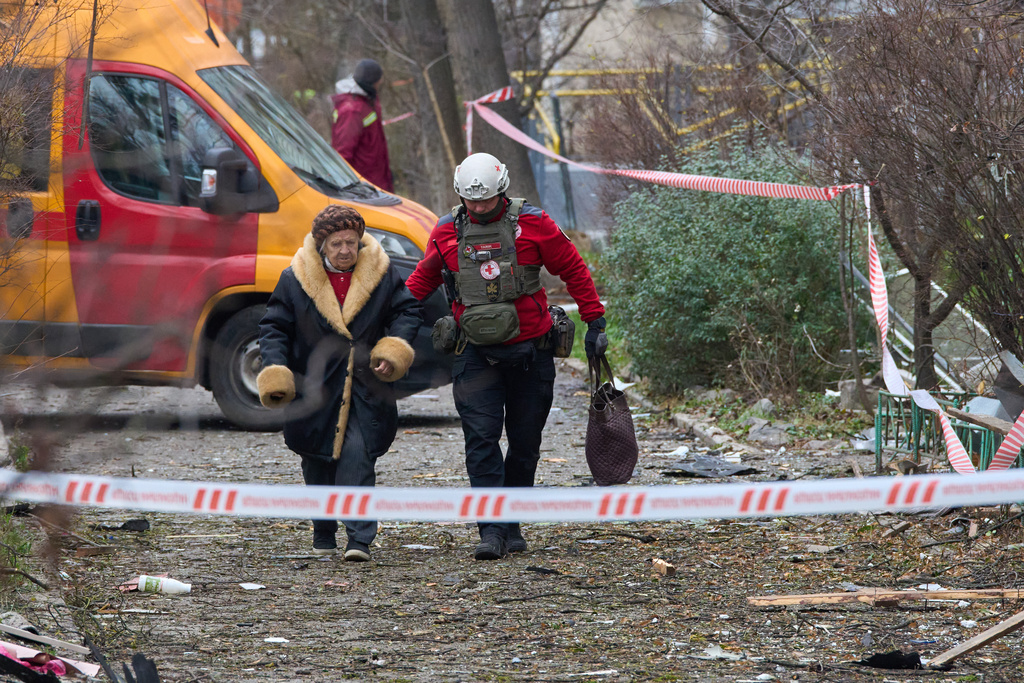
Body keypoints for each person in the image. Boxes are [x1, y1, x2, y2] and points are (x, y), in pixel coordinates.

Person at [404, 152, 608, 561]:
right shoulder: (446, 230)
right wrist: (390, 324)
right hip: (473, 356)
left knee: (525, 443)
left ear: (503, 190)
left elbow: (573, 268)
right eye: (470, 201)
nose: (477, 208)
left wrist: (595, 322)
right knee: (480, 441)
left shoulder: (534, 223)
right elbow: (420, 281)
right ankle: (491, 530)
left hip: (531, 353)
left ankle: (512, 520)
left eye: (485, 201)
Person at [256, 204, 421, 561]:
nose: (345, 250)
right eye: (336, 244)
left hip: (365, 385)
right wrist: (276, 369)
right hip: (315, 386)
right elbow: (274, 327)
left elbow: (407, 311)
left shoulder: (382, 274)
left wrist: (391, 348)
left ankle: (359, 539)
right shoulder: (295, 278)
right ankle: (324, 530)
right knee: (316, 459)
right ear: (321, 246)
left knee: (357, 455)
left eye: (351, 242)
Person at [330, 58, 394, 192]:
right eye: (379, 81)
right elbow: (343, 155)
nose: (381, 83)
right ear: (372, 83)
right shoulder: (352, 111)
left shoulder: (368, 99)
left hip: (377, 182)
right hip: (364, 190)